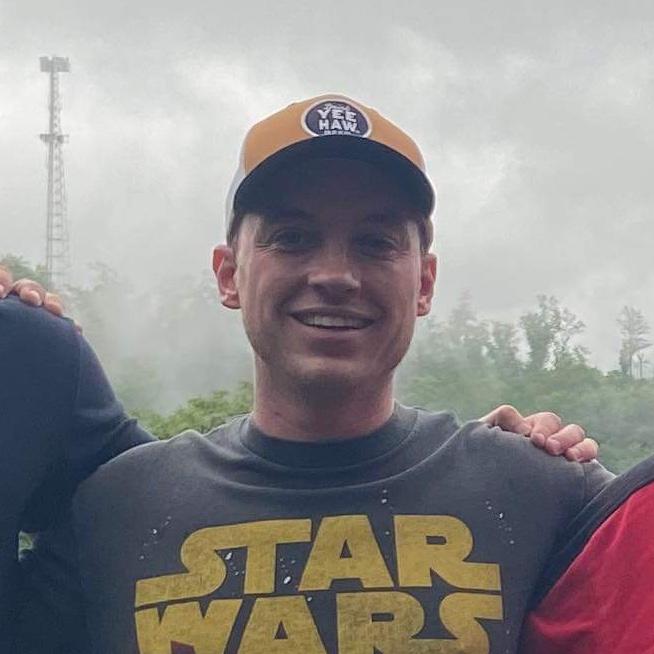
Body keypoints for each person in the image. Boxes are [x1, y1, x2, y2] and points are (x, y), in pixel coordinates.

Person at [0, 95, 610, 653]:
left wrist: (521, 468)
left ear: (424, 283)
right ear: (228, 275)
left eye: (375, 242)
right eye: (292, 238)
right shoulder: (114, 510)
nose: (335, 275)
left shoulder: (543, 493)